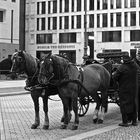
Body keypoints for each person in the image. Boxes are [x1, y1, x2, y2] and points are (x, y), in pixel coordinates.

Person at [112, 55, 138, 127]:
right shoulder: (135, 65)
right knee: (133, 104)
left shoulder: (122, 67)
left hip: (124, 88)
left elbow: (115, 77)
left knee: (124, 104)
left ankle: (125, 122)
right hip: (134, 88)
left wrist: (113, 75)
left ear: (123, 60)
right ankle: (134, 121)